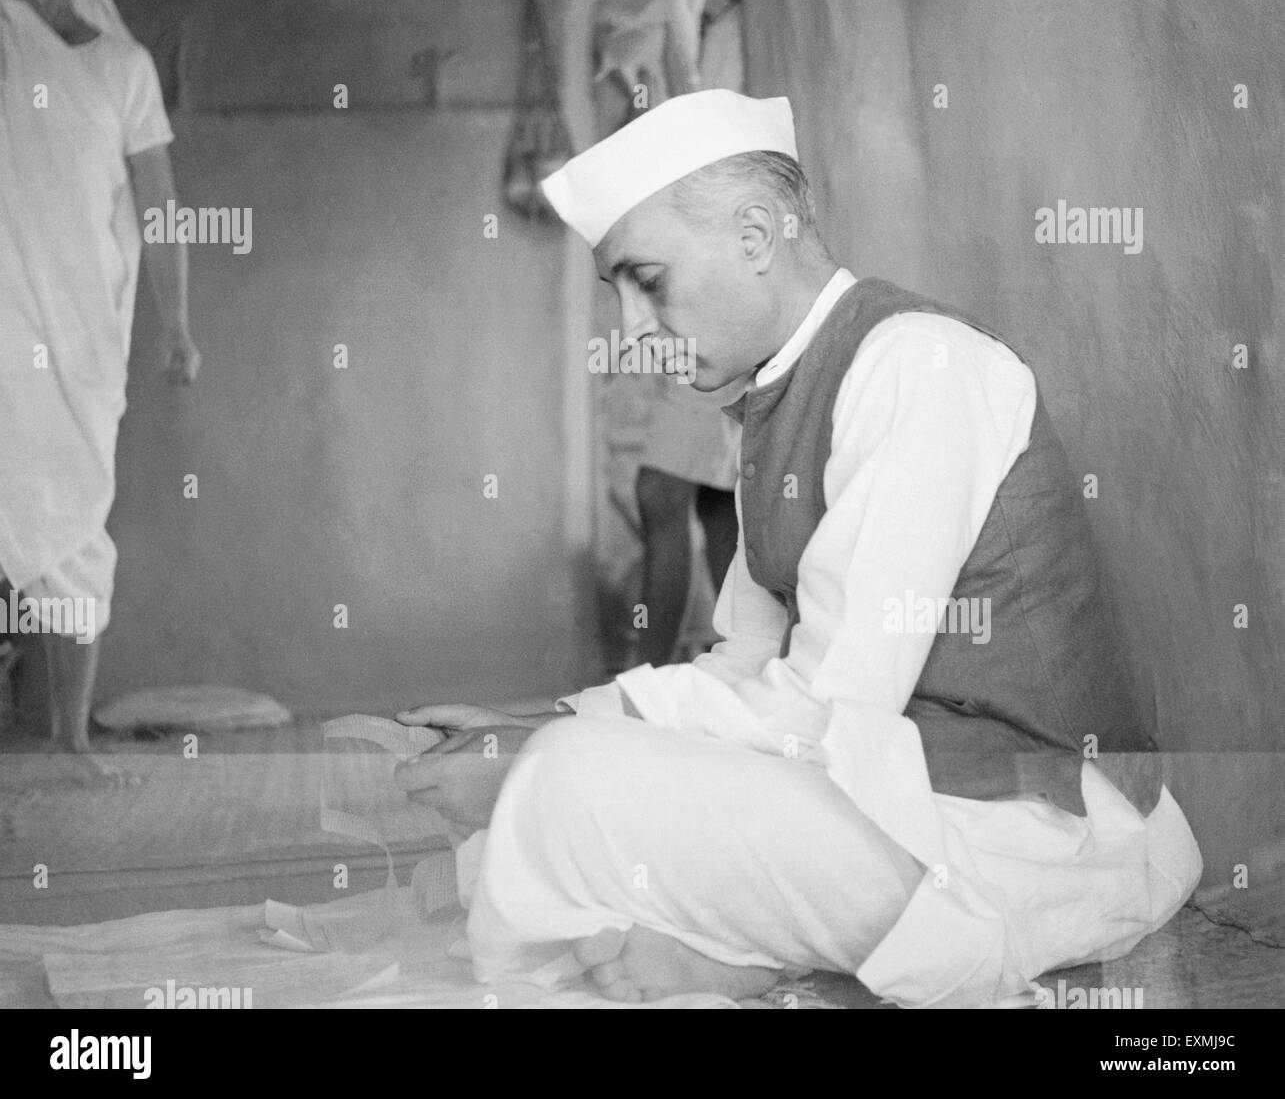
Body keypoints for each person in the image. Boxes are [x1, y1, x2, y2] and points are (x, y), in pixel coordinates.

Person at [395, 90, 1202, 1007]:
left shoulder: (916, 365)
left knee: (565, 789)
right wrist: (551, 721)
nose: (630, 332)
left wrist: (543, 755)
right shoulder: (770, 407)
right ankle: (788, 963)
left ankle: (880, 964)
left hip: (1041, 834)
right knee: (564, 782)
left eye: (646, 280)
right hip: (904, 803)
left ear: (752, 235)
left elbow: (825, 706)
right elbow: (747, 659)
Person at [0, 0, 199, 781]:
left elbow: (160, 208)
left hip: (82, 335)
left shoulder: (121, 67)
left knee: (74, 520)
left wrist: (177, 324)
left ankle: (67, 737)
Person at [593, 0, 744, 670]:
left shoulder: (753, 31)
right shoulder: (702, 26)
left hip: (726, 297)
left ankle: (637, 693)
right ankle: (744, 688)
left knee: (661, 491)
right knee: (717, 510)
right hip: (688, 288)